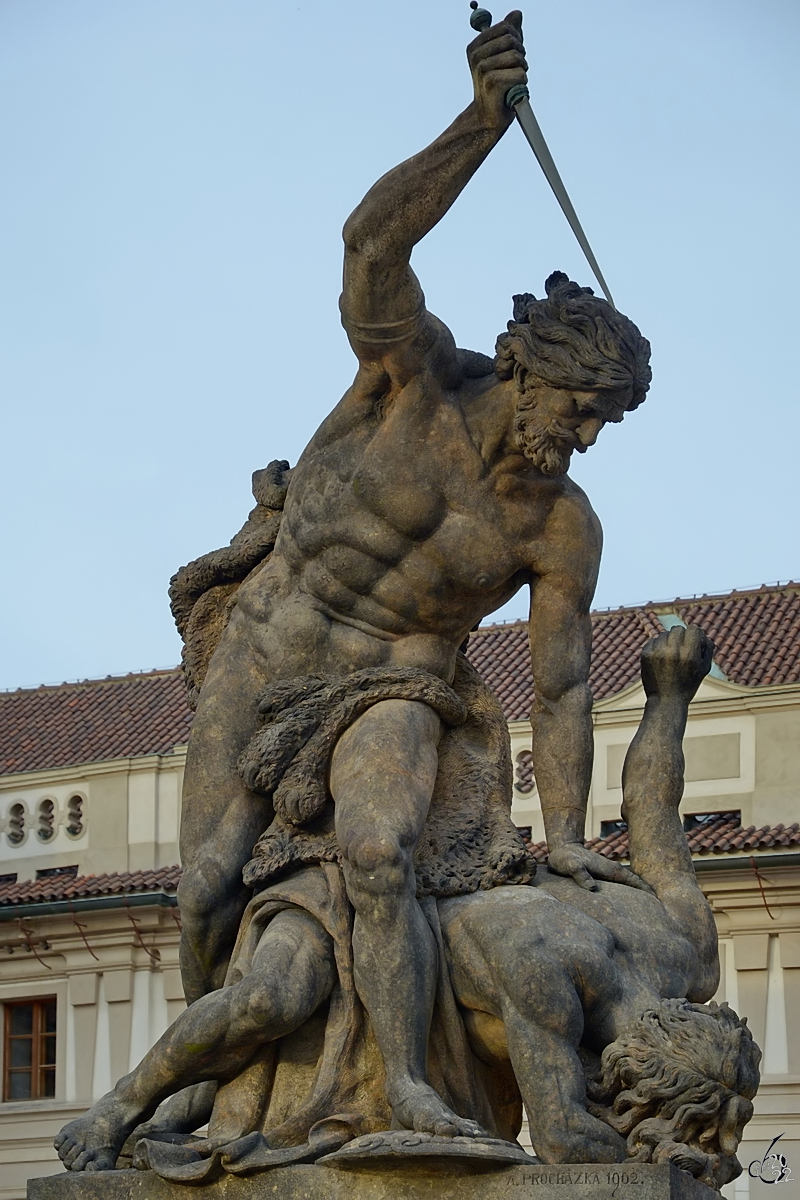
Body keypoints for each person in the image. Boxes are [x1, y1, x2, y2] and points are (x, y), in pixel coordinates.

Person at [176, 9, 652, 1136]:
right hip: (268, 648)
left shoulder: (561, 527)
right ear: (532, 372)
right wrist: (478, 125)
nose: (583, 440)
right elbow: (369, 247)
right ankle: (218, 1090)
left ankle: (406, 1088)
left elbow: (565, 685)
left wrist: (571, 836)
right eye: (583, 411)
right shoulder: (417, 378)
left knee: (382, 855)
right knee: (202, 889)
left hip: (396, 689)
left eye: (602, 425)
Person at [54, 628, 759, 1192]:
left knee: (270, 1009)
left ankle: (179, 1102)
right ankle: (118, 1106)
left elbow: (654, 813)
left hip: (432, 889)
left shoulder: (683, 951)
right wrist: (667, 1165)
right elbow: (564, 1135)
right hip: (357, 890)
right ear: (629, 1089)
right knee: (270, 999)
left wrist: (669, 697)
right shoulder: (553, 978)